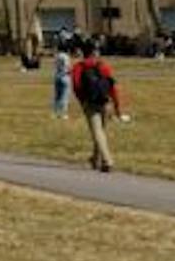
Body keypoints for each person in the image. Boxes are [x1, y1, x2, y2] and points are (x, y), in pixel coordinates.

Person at [71, 40, 129, 172]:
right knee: (101, 131)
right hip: (105, 101)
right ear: (95, 51)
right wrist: (117, 107)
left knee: (97, 132)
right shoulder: (103, 66)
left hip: (89, 102)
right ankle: (95, 159)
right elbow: (112, 87)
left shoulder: (79, 67)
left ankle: (107, 160)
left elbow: (76, 86)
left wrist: (82, 101)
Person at [51, 44, 73, 119]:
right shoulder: (66, 56)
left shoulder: (57, 56)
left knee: (57, 97)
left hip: (57, 76)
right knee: (65, 96)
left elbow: (55, 66)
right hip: (65, 76)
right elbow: (67, 66)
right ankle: (64, 114)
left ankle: (55, 113)